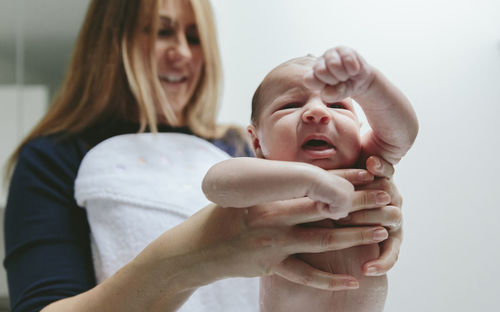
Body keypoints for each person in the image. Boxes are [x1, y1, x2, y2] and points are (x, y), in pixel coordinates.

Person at [2, 0, 403, 311]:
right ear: (111, 42)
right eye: (162, 33)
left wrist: (372, 204)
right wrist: (194, 257)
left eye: (194, 38)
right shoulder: (53, 158)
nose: (182, 54)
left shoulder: (238, 148)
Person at [202, 46, 418, 311]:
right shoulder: (265, 179)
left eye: (338, 104)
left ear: (359, 130)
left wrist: (369, 84)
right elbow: (216, 184)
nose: (317, 112)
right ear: (257, 141)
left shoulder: (366, 162)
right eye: (290, 105)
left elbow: (404, 134)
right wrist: (308, 181)